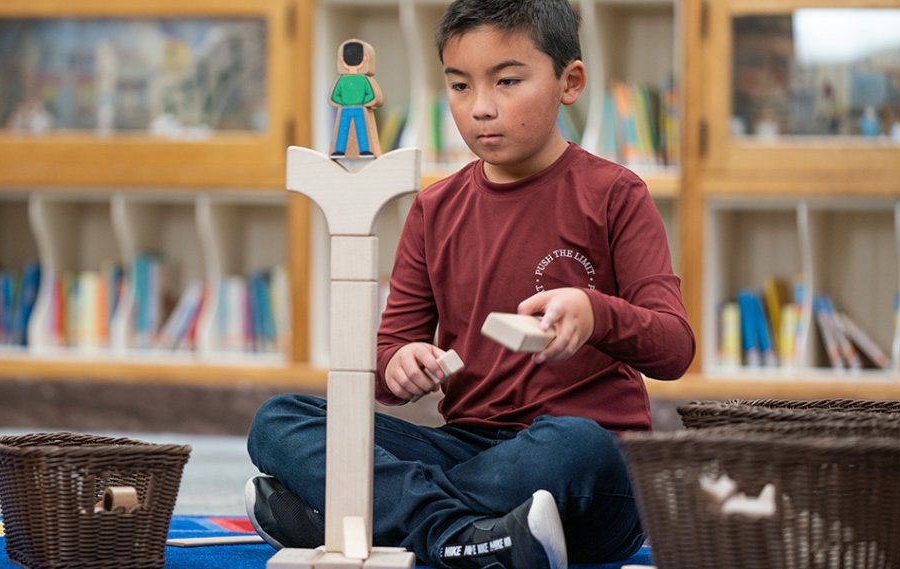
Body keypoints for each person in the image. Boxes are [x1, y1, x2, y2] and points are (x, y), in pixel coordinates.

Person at [245, 0, 695, 567]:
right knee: (279, 420)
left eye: (508, 82)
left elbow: (675, 349)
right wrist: (401, 362)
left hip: (583, 471)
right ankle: (463, 538)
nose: (481, 108)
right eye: (460, 86)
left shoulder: (615, 194)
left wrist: (595, 312)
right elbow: (388, 360)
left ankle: (366, 517)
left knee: (574, 444)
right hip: (467, 444)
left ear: (570, 82)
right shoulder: (434, 208)